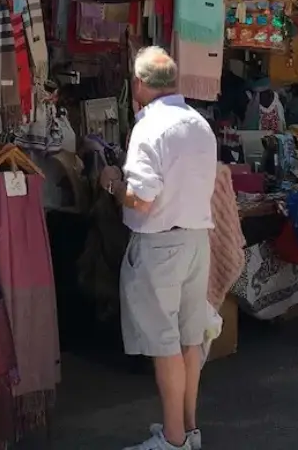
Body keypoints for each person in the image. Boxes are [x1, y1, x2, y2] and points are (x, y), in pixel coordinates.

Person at [101, 47, 217, 450]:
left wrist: (112, 183)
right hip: (195, 241)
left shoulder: (150, 127)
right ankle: (187, 430)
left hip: (160, 244)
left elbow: (141, 198)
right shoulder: (199, 124)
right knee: (188, 340)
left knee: (165, 345)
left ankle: (173, 440)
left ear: (139, 85)